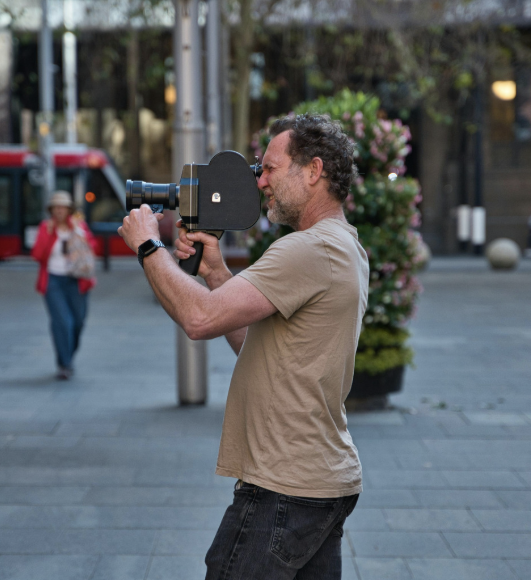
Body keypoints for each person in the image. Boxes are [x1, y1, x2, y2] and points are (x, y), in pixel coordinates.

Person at [118, 114, 368, 579]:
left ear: (313, 171)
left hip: (283, 488)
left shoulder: (308, 250)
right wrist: (215, 272)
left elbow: (199, 319)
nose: (260, 181)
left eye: (270, 168)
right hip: (316, 480)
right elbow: (260, 348)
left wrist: (148, 245)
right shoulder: (343, 246)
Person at [31, 191, 99, 379]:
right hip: (53, 280)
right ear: (51, 210)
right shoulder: (46, 227)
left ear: (69, 209)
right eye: (56, 207)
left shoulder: (79, 225)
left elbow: (93, 248)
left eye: (63, 207)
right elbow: (37, 255)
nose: (60, 211)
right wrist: (49, 234)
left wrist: (78, 233)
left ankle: (68, 356)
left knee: (78, 322)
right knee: (62, 322)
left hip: (77, 280)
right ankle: (64, 364)